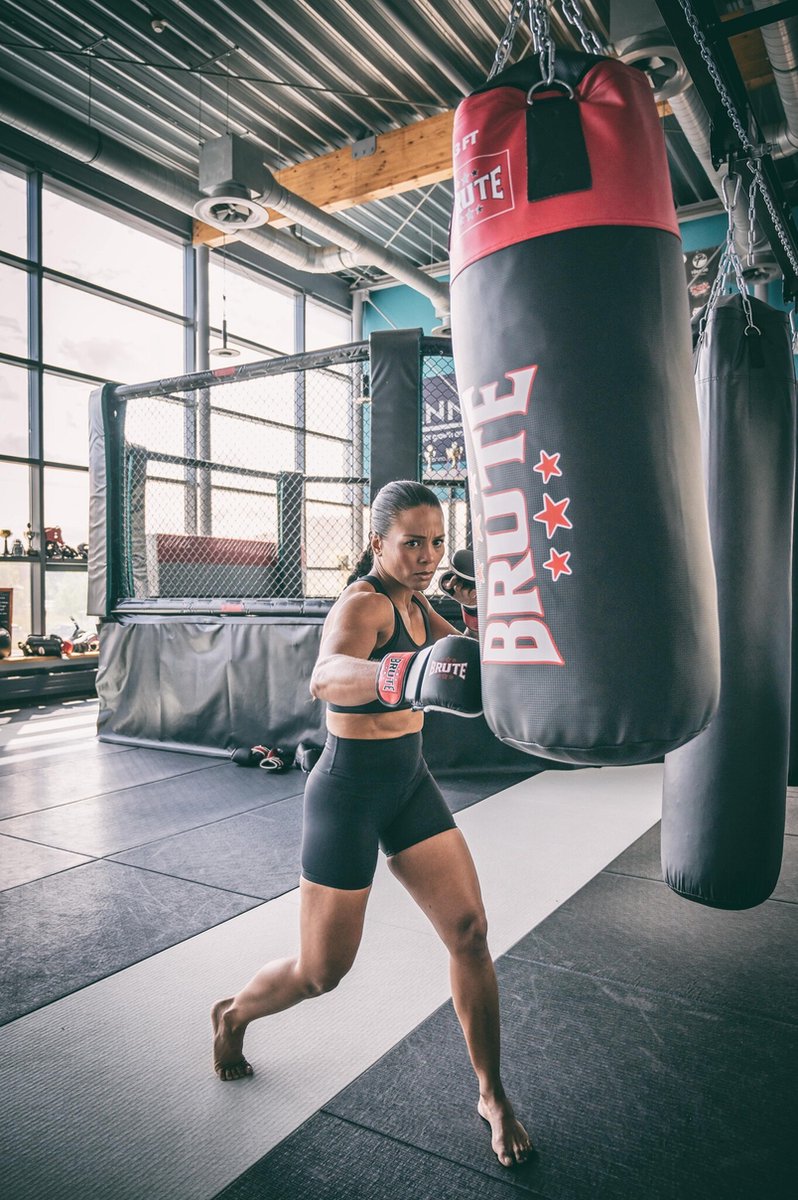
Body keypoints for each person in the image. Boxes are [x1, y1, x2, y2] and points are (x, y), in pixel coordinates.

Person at [212, 480, 531, 1169]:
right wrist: (404, 675)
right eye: (411, 542)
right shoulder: (364, 603)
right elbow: (327, 676)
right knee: (322, 972)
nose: (425, 555)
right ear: (377, 541)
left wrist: (484, 610)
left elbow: (477, 662)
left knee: (470, 934)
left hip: (409, 784)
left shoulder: (422, 606)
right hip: (349, 792)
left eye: (436, 542)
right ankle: (234, 1015)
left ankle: (492, 1094)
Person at [439, 547, 479, 638]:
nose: (428, 557)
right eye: (412, 544)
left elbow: (466, 645)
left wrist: (471, 607)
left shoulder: (420, 604)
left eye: (437, 543)